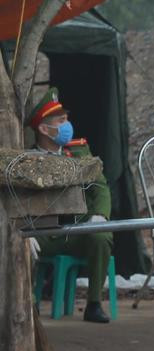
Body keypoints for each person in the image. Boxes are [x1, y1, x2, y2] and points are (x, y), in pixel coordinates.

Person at [27, 89, 113, 323]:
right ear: (44, 129)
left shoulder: (77, 150)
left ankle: (94, 304)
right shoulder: (26, 157)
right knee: (19, 247)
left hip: (76, 231)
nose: (68, 126)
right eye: (61, 121)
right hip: (42, 234)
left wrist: (99, 215)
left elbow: (100, 186)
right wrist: (23, 232)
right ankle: (28, 305)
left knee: (101, 237)